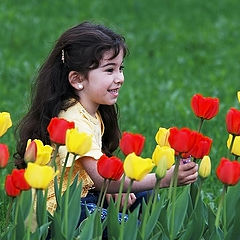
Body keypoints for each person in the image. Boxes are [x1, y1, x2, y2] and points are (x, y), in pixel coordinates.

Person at [14, 21, 198, 228]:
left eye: (120, 68)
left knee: (144, 197)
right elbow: (102, 179)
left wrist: (108, 191)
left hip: (84, 195)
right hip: (59, 210)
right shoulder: (72, 120)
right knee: (130, 226)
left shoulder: (93, 111)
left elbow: (97, 176)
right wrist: (164, 179)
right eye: (110, 70)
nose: (120, 78)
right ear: (77, 79)